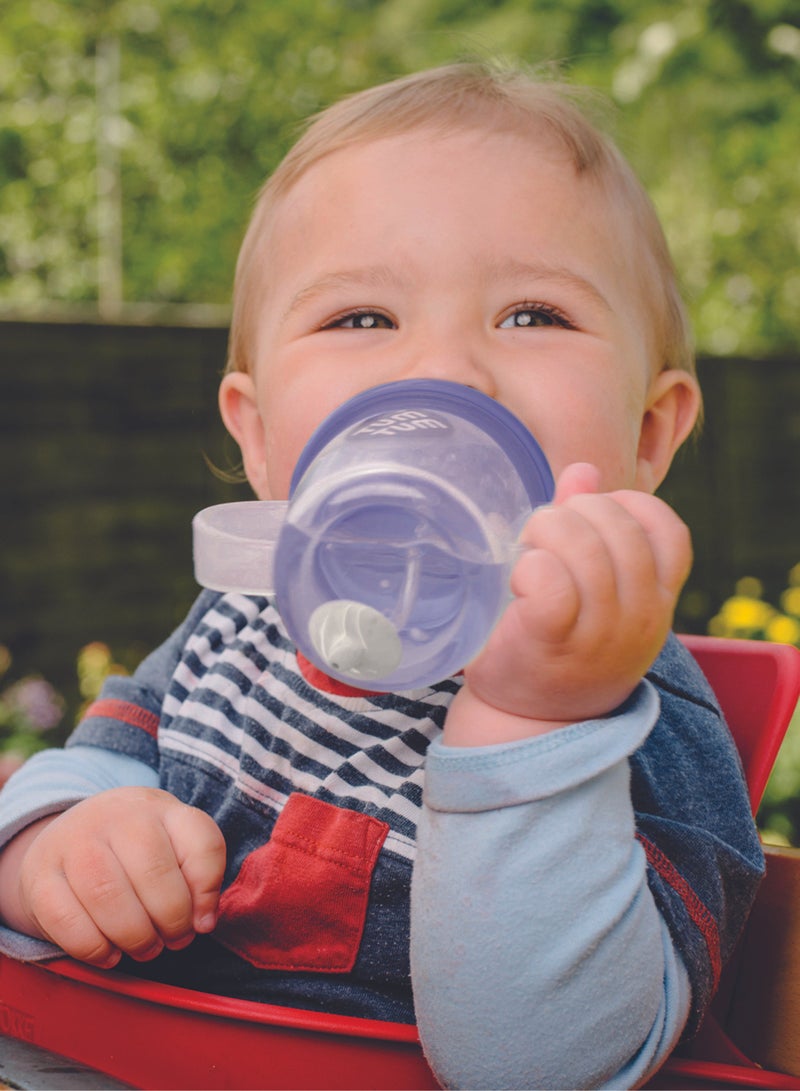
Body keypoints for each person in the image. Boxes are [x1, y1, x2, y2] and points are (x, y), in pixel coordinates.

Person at [0, 62, 763, 1089]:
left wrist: (535, 717)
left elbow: (541, 1063)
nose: (442, 370)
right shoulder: (242, 617)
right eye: (361, 318)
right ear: (260, 436)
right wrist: (61, 840)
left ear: (646, 432)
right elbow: (104, 755)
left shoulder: (631, 709)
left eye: (531, 314)